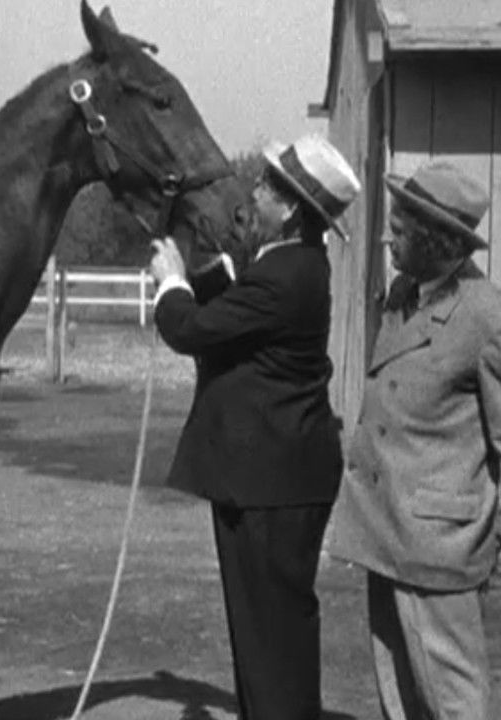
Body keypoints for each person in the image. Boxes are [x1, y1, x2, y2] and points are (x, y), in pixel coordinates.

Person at [147, 134, 361, 719]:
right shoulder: (290, 265)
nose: (255, 193)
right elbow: (241, 317)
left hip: (271, 483)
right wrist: (207, 274)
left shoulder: (283, 276)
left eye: (267, 186)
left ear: (291, 208)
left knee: (270, 637)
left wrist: (170, 279)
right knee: (268, 632)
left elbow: (190, 330)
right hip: (277, 478)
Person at [328, 161, 501, 720]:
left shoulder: (488, 319)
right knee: (399, 695)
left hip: (438, 546)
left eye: (400, 229)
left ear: (436, 239)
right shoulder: (405, 293)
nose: (387, 236)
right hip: (387, 531)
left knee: (453, 702)